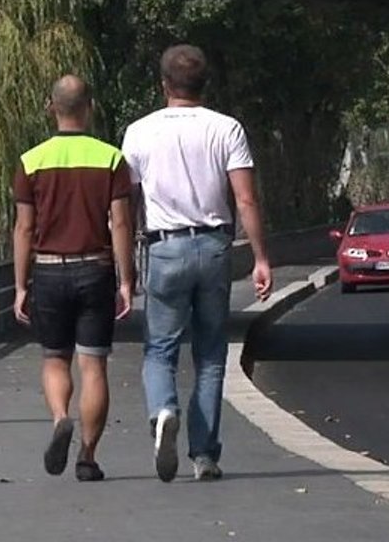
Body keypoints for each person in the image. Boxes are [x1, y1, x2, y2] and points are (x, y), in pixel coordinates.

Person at [122, 44, 273, 483]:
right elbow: (245, 197)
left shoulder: (139, 132)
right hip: (214, 248)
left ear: (164, 84)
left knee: (160, 348)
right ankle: (204, 455)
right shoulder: (226, 129)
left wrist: (127, 265)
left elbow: (127, 201)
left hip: (164, 248)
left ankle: (163, 410)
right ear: (205, 84)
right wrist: (261, 257)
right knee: (209, 355)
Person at [12, 75, 135, 482]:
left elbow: (24, 230)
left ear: (52, 107)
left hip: (48, 270)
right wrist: (125, 280)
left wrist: (20, 285)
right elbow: (120, 223)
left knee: (54, 358)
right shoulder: (111, 159)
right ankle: (87, 456)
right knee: (94, 367)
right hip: (95, 268)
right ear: (90, 108)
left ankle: (60, 417)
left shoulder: (31, 161)